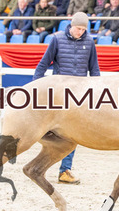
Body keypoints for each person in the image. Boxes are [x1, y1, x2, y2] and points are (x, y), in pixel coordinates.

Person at [32, 12, 100, 184]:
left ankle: (65, 170)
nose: (80, 32)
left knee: (73, 134)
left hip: (79, 94)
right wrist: (35, 88)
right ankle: (42, 163)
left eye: (83, 29)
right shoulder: (57, 39)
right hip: (59, 93)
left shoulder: (89, 42)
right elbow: (43, 65)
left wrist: (97, 91)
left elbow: (94, 69)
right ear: (71, 25)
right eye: (78, 28)